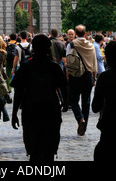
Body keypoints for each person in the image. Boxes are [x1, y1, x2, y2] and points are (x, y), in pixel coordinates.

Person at [11, 34, 68, 163]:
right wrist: (64, 103)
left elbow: (18, 93)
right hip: (51, 110)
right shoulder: (54, 67)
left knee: (33, 150)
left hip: (31, 111)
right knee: (49, 150)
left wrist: (14, 113)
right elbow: (64, 88)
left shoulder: (25, 67)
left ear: (33, 49)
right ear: (48, 49)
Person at [67, 24, 97, 136]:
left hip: (75, 76)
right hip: (88, 76)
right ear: (85, 33)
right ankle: (83, 129)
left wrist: (68, 77)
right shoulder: (91, 45)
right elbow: (94, 63)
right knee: (86, 102)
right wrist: (94, 78)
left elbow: (68, 63)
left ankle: (80, 119)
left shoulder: (71, 44)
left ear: (75, 33)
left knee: (73, 100)